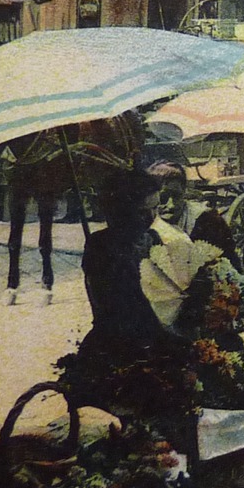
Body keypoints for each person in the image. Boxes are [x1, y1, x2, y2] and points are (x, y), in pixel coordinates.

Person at [75, 169, 192, 397]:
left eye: (155, 209)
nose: (151, 218)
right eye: (141, 212)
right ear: (120, 212)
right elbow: (126, 308)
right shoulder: (101, 247)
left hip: (157, 333)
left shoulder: (153, 239)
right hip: (123, 345)